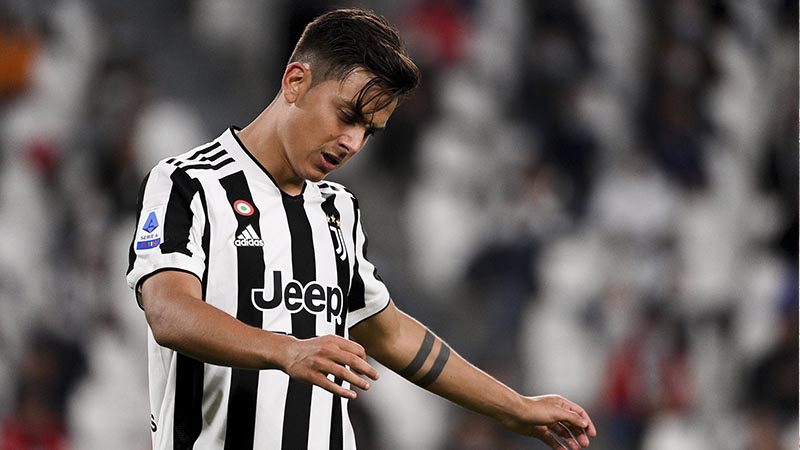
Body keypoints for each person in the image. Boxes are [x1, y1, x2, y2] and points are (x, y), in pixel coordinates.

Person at [126, 8, 596, 450]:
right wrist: (285, 351)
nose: (353, 142)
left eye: (369, 131)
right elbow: (169, 313)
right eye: (348, 116)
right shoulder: (187, 183)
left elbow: (392, 335)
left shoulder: (338, 210)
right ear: (295, 82)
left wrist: (515, 408)